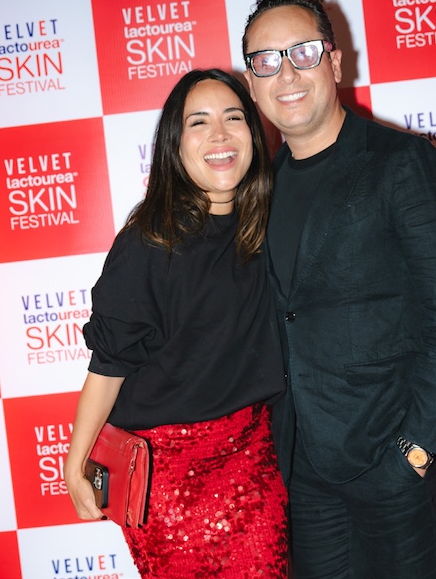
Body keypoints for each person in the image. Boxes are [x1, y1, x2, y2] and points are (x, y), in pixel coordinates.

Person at [241, 0, 436, 579]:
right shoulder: (259, 189)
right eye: (266, 61)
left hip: (391, 464)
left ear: (333, 62)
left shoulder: (404, 163)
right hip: (303, 472)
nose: (286, 74)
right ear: (251, 83)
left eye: (302, 53)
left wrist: (416, 450)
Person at [65, 68, 288, 578]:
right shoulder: (149, 242)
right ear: (175, 144)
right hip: (166, 483)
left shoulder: (270, 226)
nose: (219, 135)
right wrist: (74, 463)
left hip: (253, 462)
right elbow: (109, 364)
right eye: (199, 122)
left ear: (254, 135)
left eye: (234, 118)